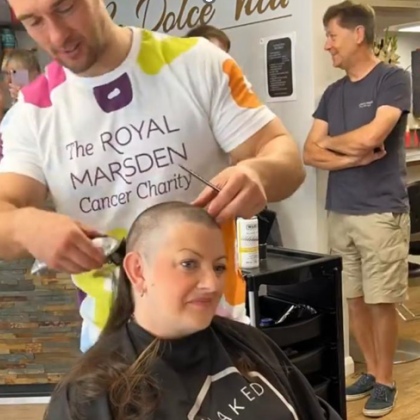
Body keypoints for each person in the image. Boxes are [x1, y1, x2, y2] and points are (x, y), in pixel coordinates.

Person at [0, 0, 305, 352]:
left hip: (218, 325)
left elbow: (285, 158)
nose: (56, 35)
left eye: (66, 8)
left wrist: (257, 172)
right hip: (111, 341)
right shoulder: (32, 112)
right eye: (34, 21)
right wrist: (28, 226)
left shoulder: (196, 63)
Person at [44, 201, 341, 420]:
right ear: (138, 270)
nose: (212, 284)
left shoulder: (247, 342)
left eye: (219, 267)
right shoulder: (89, 395)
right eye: (189, 264)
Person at [303, 1, 411, 417]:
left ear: (357, 34)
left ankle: (385, 380)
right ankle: (368, 370)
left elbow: (374, 137)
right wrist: (350, 156)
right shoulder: (332, 93)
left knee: (382, 300)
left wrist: (337, 143)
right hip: (341, 209)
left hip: (381, 211)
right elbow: (309, 152)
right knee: (355, 299)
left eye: (332, 36)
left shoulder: (392, 79)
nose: (328, 45)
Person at [0, 49, 42, 160]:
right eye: (6, 74)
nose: (8, 80)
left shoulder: (42, 108)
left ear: (36, 76)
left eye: (15, 73)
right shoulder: (14, 109)